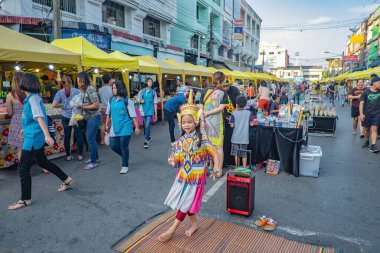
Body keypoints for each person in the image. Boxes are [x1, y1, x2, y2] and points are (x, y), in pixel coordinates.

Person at [158, 90, 219, 242]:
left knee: (185, 202)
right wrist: (173, 162)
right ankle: (194, 224)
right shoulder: (181, 140)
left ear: (196, 122)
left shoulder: (202, 138)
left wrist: (217, 168)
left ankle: (172, 230)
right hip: (183, 176)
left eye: (189, 122)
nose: (186, 125)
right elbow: (177, 159)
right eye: (184, 122)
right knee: (186, 202)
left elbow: (214, 153)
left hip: (196, 177)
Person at [8, 73, 73, 210]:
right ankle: (66, 179)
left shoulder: (32, 99)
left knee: (23, 168)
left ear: (25, 84)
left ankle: (25, 199)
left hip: (33, 138)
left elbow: (39, 117)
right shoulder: (33, 98)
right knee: (43, 162)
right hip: (32, 135)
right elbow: (32, 118)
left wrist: (46, 135)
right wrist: (25, 129)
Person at [106, 81, 140, 174]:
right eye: (113, 88)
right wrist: (107, 125)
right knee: (113, 146)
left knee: (123, 146)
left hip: (125, 126)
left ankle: (125, 165)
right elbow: (108, 114)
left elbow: (133, 115)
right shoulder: (111, 100)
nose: (113, 90)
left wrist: (137, 127)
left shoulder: (127, 101)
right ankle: (125, 156)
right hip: (114, 127)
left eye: (115, 88)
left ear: (120, 88)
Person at [199, 71, 228, 178]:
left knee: (206, 146)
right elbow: (221, 108)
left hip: (205, 122)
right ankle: (218, 170)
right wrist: (208, 113)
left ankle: (204, 168)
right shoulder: (223, 92)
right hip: (217, 123)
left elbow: (200, 104)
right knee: (219, 147)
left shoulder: (205, 90)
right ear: (222, 80)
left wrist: (203, 114)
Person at [52, 74, 83, 161]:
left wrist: (64, 105)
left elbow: (54, 104)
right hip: (77, 115)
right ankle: (80, 155)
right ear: (72, 81)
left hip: (65, 115)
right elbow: (82, 103)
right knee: (78, 135)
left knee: (67, 136)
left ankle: (68, 156)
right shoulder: (77, 91)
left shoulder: (59, 92)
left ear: (62, 83)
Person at [77, 72, 101, 169]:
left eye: (79, 80)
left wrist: (83, 106)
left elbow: (96, 104)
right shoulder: (85, 89)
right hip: (90, 117)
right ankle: (95, 158)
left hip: (94, 117)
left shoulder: (90, 89)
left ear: (83, 80)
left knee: (90, 139)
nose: (78, 82)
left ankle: (93, 161)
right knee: (91, 139)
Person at [229, 96, 254, 168]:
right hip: (244, 137)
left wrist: (230, 120)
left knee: (236, 154)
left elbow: (231, 126)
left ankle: (237, 168)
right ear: (246, 104)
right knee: (244, 154)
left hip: (235, 137)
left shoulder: (234, 113)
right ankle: (244, 168)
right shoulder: (248, 113)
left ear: (236, 104)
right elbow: (251, 124)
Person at [6, 72, 25, 161]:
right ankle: (44, 167)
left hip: (16, 124)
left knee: (20, 148)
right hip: (29, 122)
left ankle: (24, 170)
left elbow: (9, 113)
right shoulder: (28, 93)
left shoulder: (10, 96)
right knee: (34, 146)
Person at [359, 76, 380, 153]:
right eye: (379, 83)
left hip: (377, 114)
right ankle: (367, 141)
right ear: (374, 83)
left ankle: (373, 146)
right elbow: (361, 104)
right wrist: (361, 114)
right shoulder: (366, 92)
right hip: (367, 114)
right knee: (367, 130)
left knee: (374, 129)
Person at [137, 78, 158, 149]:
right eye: (149, 81)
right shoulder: (141, 91)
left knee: (147, 124)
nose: (150, 83)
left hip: (150, 111)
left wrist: (156, 114)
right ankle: (148, 136)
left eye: (151, 82)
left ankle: (146, 141)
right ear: (146, 82)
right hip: (143, 111)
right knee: (146, 125)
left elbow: (155, 104)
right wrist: (140, 101)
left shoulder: (153, 92)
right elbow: (137, 100)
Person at [99, 73, 114, 145]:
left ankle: (102, 140)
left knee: (103, 124)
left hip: (102, 108)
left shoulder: (100, 89)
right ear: (109, 80)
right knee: (110, 124)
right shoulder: (112, 89)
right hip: (109, 109)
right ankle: (109, 139)